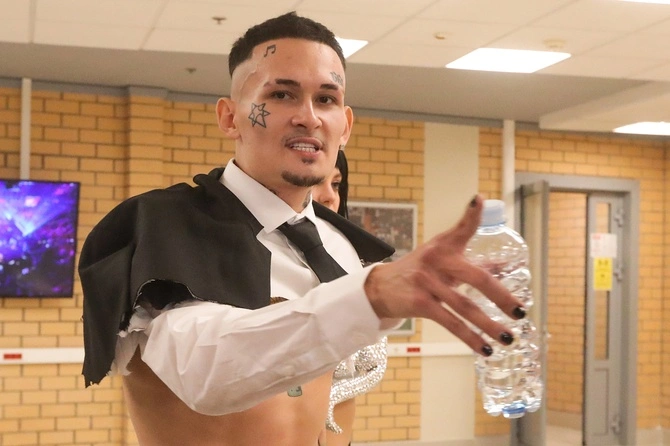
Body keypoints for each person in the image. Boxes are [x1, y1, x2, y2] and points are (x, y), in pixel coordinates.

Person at [78, 11, 525, 446]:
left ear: (345, 126)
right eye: (281, 95)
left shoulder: (343, 247)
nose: (309, 117)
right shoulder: (160, 226)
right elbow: (207, 371)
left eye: (326, 99)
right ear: (230, 117)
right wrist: (370, 297)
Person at [313, 150, 387, 446]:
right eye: (317, 182)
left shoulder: (357, 264)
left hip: (336, 424)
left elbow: (374, 364)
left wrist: (328, 398)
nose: (329, 196)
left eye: (336, 184)